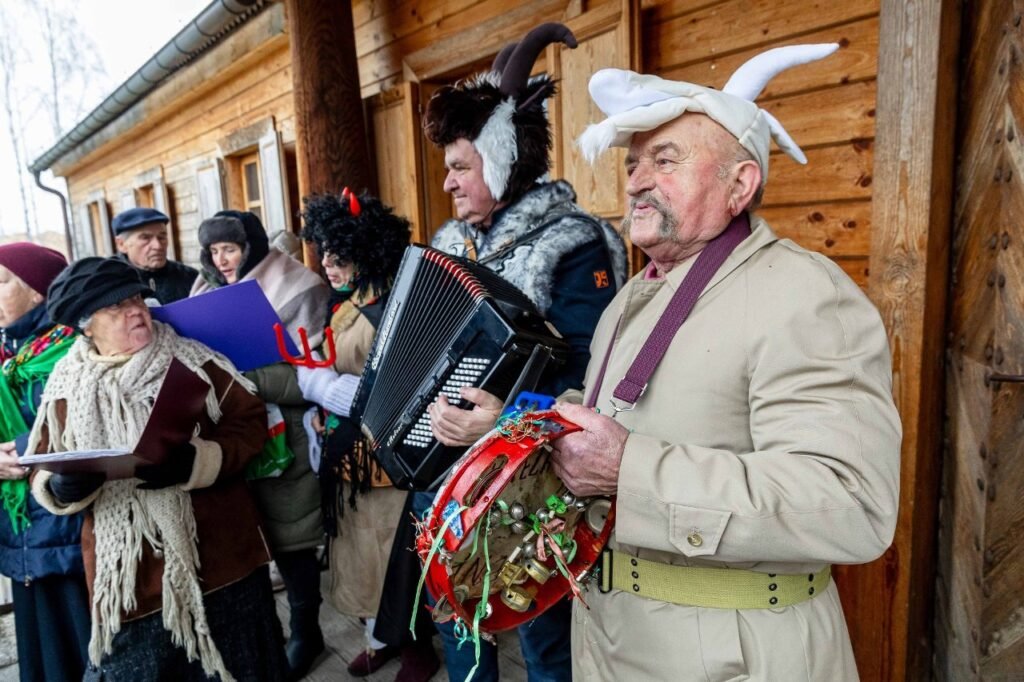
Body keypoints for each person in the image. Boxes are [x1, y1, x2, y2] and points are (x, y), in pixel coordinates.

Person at [544, 45, 902, 680]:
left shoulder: (804, 293)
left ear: (740, 184)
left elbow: (852, 505)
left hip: (731, 658)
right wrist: (529, 428)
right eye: (632, 164)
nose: (636, 181)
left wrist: (630, 469)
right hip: (608, 639)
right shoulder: (629, 297)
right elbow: (627, 416)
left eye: (665, 159)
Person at [374, 22, 629, 682]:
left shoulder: (574, 243)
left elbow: (593, 374)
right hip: (442, 477)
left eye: (461, 167)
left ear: (503, 158)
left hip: (529, 486)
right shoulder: (449, 244)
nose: (449, 183)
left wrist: (505, 420)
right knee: (458, 626)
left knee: (543, 639)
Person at [28, 257, 287, 681]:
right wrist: (61, 486)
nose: (136, 311)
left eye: (136, 299)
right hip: (130, 583)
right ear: (85, 326)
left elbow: (249, 423)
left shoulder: (194, 360)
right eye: (116, 307)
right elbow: (42, 462)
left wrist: (198, 461)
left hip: (221, 562)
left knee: (241, 668)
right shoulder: (65, 386)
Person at [294, 190, 442, 679]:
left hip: (387, 455)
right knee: (360, 553)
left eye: (338, 257)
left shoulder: (393, 306)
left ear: (367, 252)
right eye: (324, 255)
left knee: (395, 555)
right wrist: (320, 403)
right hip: (349, 454)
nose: (327, 266)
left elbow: (400, 387)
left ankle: (416, 644)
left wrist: (327, 389)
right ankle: (379, 637)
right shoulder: (345, 303)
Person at [192, 210, 330, 680]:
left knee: (293, 541)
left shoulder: (298, 287)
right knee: (245, 539)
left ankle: (306, 632)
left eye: (230, 249)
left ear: (251, 247)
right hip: (231, 436)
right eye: (214, 251)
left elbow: (315, 375)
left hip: (285, 434)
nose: (222, 260)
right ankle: (263, 638)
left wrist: (243, 376)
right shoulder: (203, 292)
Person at [0, 243, 90, 682]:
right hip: (22, 533)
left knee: (82, 646)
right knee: (44, 655)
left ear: (37, 291)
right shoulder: (10, 356)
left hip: (69, 532)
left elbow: (86, 425)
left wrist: (25, 447)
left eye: (2, 282)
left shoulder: (75, 353)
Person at [112, 207, 198, 303]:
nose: (158, 246)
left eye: (162, 237)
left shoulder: (189, 277)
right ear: (121, 244)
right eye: (145, 238)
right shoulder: (109, 283)